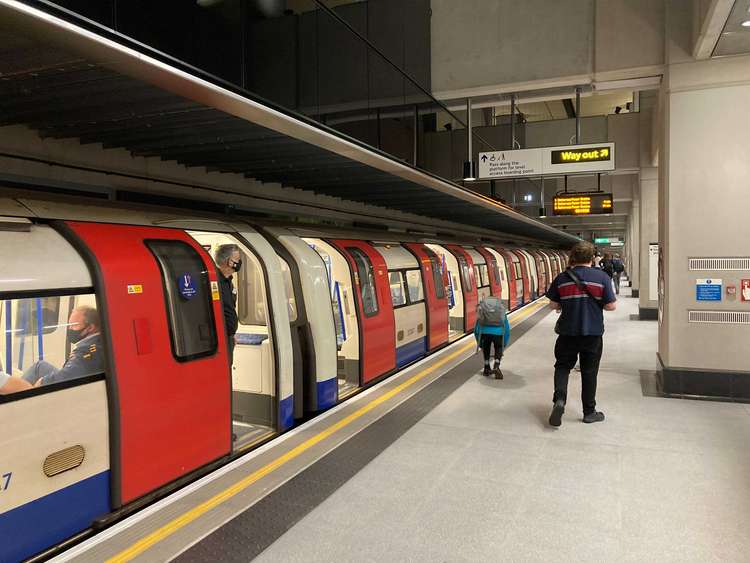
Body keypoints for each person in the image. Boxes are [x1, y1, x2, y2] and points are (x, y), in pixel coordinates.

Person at [546, 241, 616, 427]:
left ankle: (559, 400)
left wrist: (563, 304)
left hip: (567, 332)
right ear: (592, 259)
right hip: (593, 333)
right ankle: (589, 412)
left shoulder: (562, 278)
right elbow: (611, 306)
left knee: (562, 367)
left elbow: (552, 305)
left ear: (572, 258)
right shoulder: (601, 277)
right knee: (589, 372)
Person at [23, 306, 104, 386]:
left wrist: (43, 381)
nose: (70, 329)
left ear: (90, 327)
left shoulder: (87, 350)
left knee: (37, 369)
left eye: (74, 325)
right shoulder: (99, 341)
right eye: (69, 325)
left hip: (78, 388)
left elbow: (69, 374)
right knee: (40, 366)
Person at [215, 244, 241, 365]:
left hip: (228, 338)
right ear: (228, 261)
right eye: (237, 260)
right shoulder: (214, 281)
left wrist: (232, 334)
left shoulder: (229, 281)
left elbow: (229, 308)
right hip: (219, 338)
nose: (239, 263)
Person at [474, 295, 511, 379]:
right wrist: (503, 344)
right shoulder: (500, 308)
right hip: (498, 333)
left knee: (486, 347)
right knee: (498, 347)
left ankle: (486, 367)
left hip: (484, 332)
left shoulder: (482, 307)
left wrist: (479, 343)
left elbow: (476, 328)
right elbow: (506, 327)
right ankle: (496, 366)